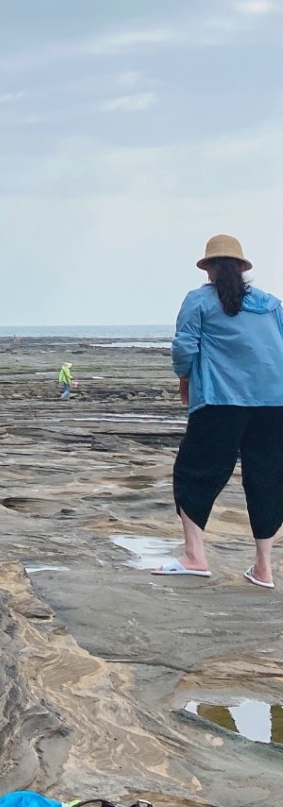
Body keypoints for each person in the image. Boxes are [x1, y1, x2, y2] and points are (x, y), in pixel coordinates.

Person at [157, 234, 283, 586]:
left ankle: (195, 557)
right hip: (274, 401)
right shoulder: (271, 304)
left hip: (221, 399)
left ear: (210, 268)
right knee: (268, 479)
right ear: (242, 269)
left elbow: (184, 347)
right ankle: (264, 568)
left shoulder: (199, 300)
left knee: (195, 471)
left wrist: (184, 377)